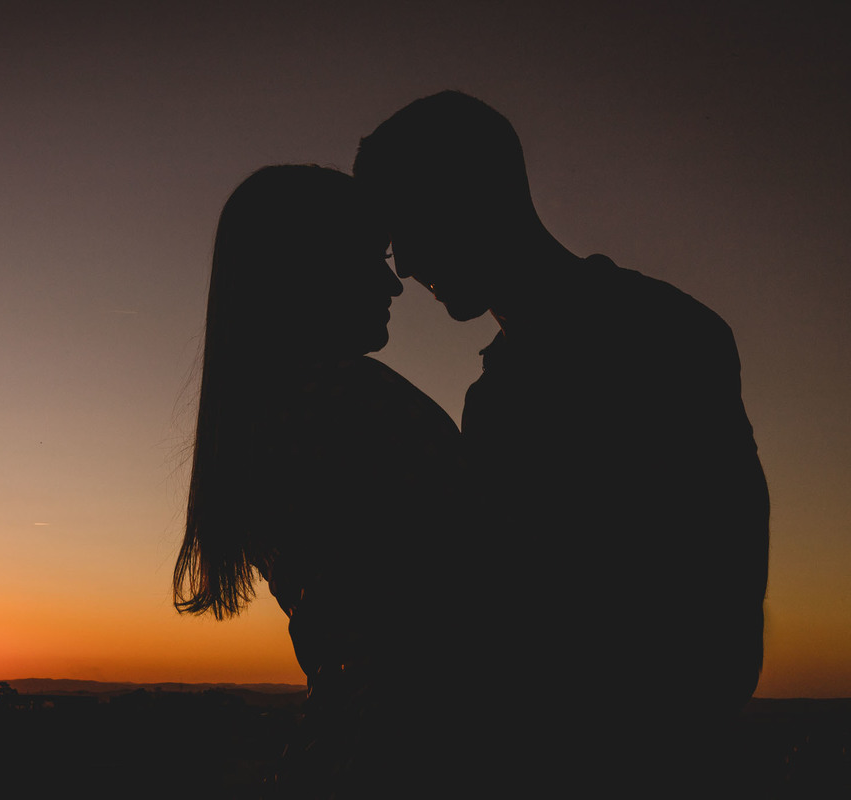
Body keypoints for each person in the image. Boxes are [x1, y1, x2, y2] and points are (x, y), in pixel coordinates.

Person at [353, 91, 769, 791]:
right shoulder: (489, 400)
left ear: (472, 194)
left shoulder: (666, 336)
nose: (403, 265)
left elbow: (722, 594)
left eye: (406, 231)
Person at [173, 164, 463, 797]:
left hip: (347, 751)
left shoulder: (263, 414)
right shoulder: (346, 400)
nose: (394, 283)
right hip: (408, 755)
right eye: (369, 257)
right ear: (304, 272)